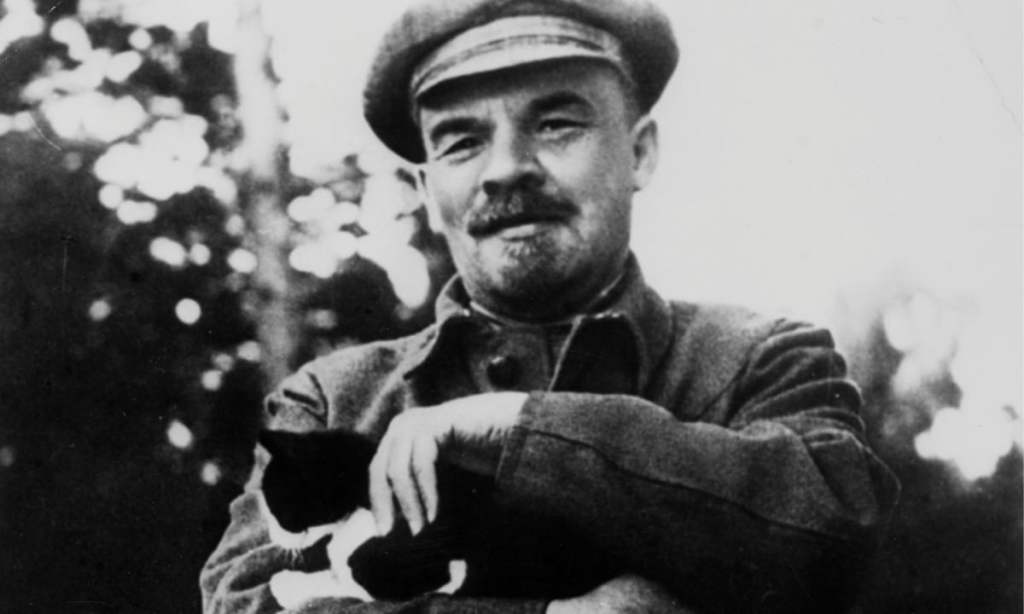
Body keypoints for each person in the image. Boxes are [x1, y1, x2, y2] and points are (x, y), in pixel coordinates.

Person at [201, 0, 899, 612]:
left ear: (640, 152)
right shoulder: (334, 403)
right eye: (462, 142)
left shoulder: (763, 361)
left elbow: (829, 543)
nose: (506, 168)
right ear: (426, 188)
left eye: (557, 123)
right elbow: (242, 601)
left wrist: (520, 425)